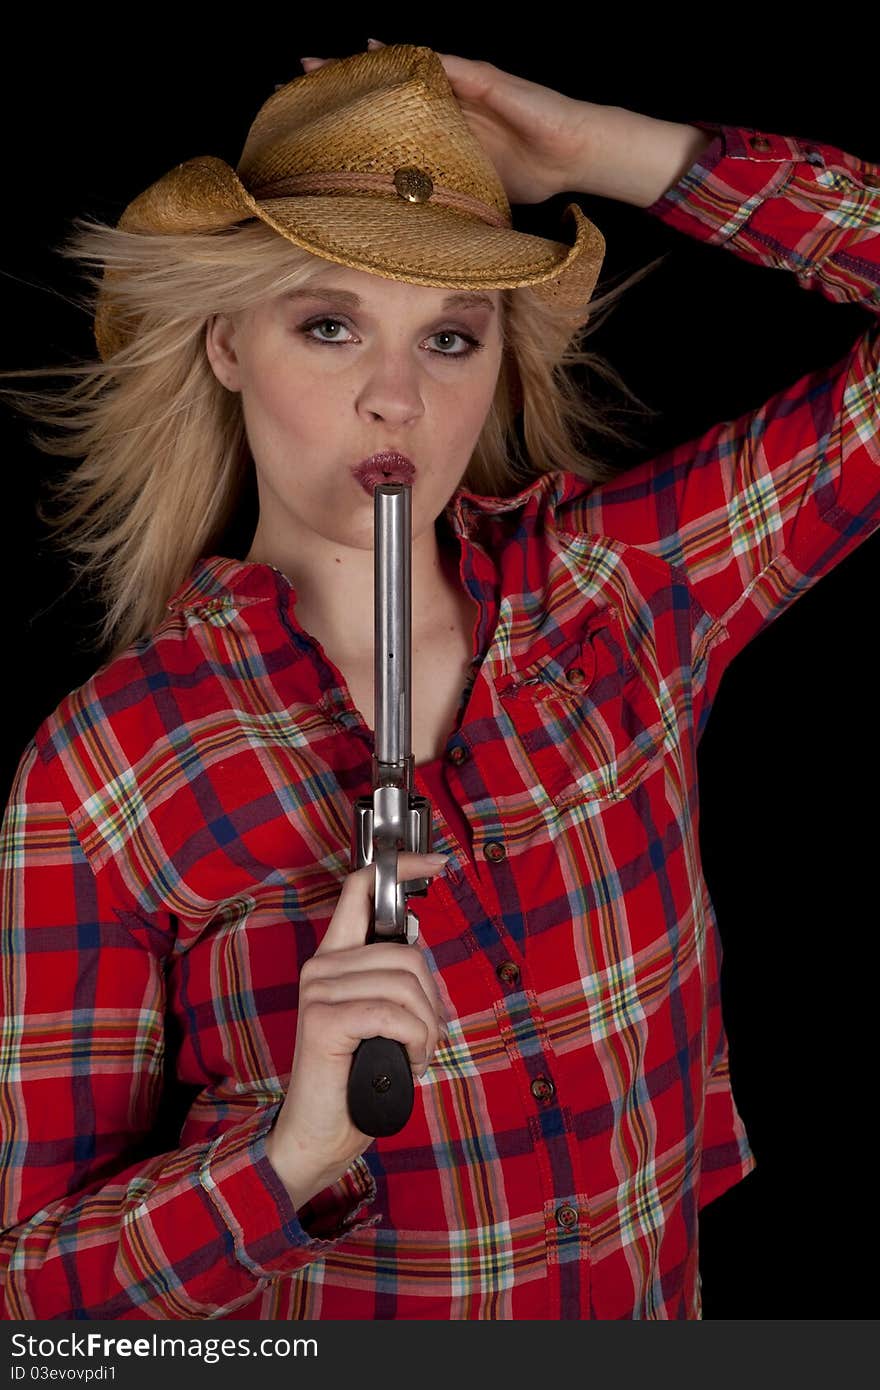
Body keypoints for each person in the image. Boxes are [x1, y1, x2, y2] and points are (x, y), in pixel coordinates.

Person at [0, 38, 877, 1321]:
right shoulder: (107, 774)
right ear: (226, 344)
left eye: (451, 336)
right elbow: (32, 1308)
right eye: (330, 325)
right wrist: (291, 1151)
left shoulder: (618, 593)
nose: (395, 400)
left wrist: (625, 156)